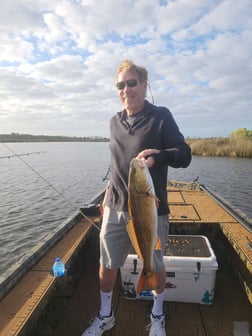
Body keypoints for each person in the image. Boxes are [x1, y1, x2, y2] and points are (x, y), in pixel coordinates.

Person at [81, 60, 191, 336]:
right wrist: (106, 200)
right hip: (115, 207)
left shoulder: (161, 116)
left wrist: (161, 156)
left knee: (155, 262)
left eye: (132, 82)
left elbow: (184, 154)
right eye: (121, 84)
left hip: (150, 208)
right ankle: (105, 315)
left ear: (144, 85)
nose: (126, 89)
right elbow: (116, 167)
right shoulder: (114, 122)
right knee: (107, 264)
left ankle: (157, 316)